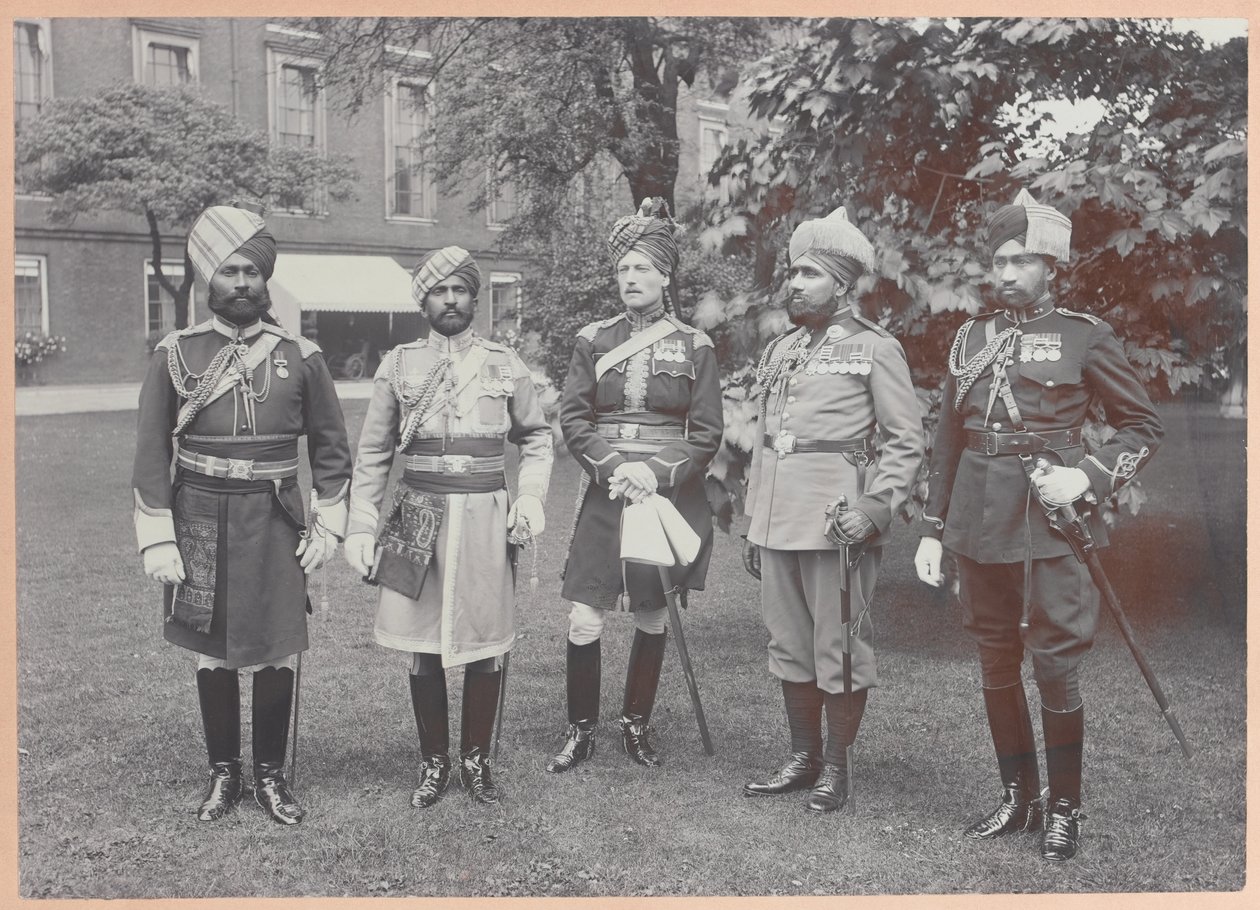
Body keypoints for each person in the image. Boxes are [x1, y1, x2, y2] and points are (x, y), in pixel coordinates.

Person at [914, 189, 1163, 861]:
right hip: (978, 520)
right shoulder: (971, 338)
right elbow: (948, 441)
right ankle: (1018, 797)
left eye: (1021, 260)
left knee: (1054, 662)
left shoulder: (1085, 335)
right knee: (995, 656)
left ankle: (1064, 808)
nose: (1006, 272)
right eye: (998, 260)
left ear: (1051, 266)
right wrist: (933, 527)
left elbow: (1143, 426)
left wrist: (1088, 477)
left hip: (1050, 520)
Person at [133, 202, 352, 825]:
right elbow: (150, 452)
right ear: (209, 277)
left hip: (276, 516)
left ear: (265, 278)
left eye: (252, 272)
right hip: (198, 515)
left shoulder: (301, 355)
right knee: (213, 648)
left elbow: (332, 449)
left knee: (279, 645)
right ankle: (224, 773)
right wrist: (158, 537)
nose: (241, 283)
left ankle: (272, 777)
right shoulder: (175, 354)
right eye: (229, 271)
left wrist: (328, 524)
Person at [343, 246, 553, 807]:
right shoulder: (399, 365)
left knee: (485, 642)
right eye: (440, 290)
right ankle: (433, 761)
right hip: (418, 515)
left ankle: (476, 761)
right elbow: (373, 453)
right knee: (422, 643)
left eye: (461, 289)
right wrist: (361, 525)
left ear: (474, 298)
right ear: (424, 302)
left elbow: (536, 437)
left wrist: (530, 496)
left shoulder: (505, 363)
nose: (451, 299)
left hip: (485, 514)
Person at [740, 206, 924, 813]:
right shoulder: (783, 348)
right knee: (788, 642)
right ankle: (803, 757)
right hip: (778, 518)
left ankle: (837, 767)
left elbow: (905, 439)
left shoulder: (875, 348)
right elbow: (768, 439)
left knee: (839, 647)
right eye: (793, 273)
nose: (794, 284)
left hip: (836, 521)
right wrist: (755, 521)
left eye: (810, 275)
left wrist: (875, 508)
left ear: (842, 285)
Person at [545, 198, 723, 773]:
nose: (630, 277)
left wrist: (655, 471)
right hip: (608, 489)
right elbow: (574, 418)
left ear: (665, 275)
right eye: (623, 268)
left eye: (642, 267)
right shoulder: (593, 339)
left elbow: (706, 432)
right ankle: (580, 730)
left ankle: (635, 725)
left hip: (666, 494)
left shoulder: (695, 345)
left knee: (652, 612)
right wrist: (613, 467)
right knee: (585, 615)